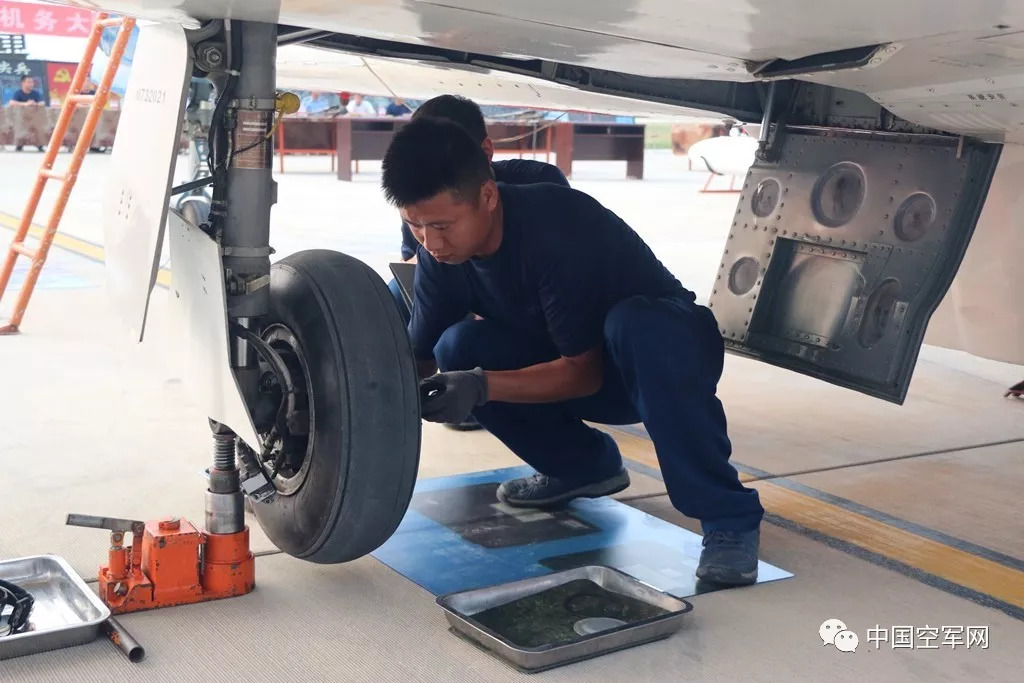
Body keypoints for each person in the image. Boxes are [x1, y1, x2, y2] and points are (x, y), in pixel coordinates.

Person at [380, 117, 765, 586]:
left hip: (658, 361)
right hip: (575, 361)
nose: (430, 243)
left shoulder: (557, 229)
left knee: (639, 325)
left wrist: (481, 387)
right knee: (459, 346)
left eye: (441, 225)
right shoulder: (441, 257)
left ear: (487, 195)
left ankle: (729, 518)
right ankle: (582, 467)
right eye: (415, 226)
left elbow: (583, 375)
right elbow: (421, 355)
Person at [385, 94, 569, 432]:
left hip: (542, 325)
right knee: (394, 293)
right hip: (455, 291)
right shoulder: (423, 198)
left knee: (458, 342)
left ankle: (578, 457)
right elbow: (412, 258)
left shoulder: (540, 189)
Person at [8, 75, 46, 152]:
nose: (31, 84)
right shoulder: (18, 93)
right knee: (20, 127)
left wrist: (35, 104)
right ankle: (19, 145)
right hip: (21, 118)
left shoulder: (36, 93)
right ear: (23, 83)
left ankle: (39, 145)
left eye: (32, 82)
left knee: (37, 128)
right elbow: (11, 103)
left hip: (33, 118)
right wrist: (25, 104)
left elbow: (42, 103)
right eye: (29, 82)